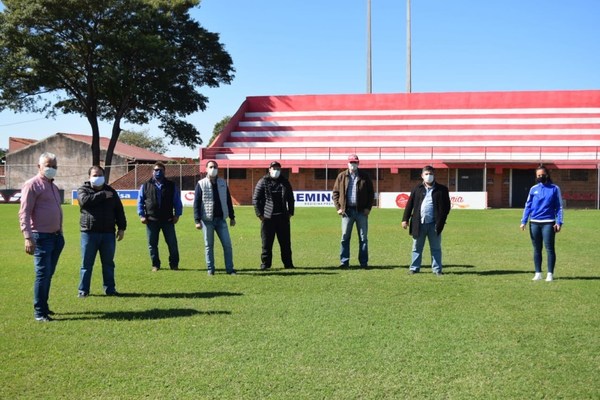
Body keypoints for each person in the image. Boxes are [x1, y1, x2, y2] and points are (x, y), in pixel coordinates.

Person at [18, 152, 65, 322]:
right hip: (41, 237)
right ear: (39, 166)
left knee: (48, 274)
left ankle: (44, 306)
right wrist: (27, 237)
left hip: (56, 237)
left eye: (54, 166)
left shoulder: (53, 186)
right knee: (42, 274)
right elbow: (24, 212)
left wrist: (60, 233)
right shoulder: (31, 185)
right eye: (48, 165)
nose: (51, 168)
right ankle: (39, 312)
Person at [77, 166, 127, 297]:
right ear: (89, 177)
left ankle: (110, 289)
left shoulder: (112, 191)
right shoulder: (83, 190)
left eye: (100, 175)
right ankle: (83, 290)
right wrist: (102, 195)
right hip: (89, 233)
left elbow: (119, 210)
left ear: (104, 176)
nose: (97, 177)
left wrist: (121, 228)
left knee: (109, 264)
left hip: (108, 233)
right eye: (94, 175)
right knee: (86, 264)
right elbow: (85, 201)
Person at [401, 165, 451, 276]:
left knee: (436, 248)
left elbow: (447, 207)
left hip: (434, 224)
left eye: (431, 174)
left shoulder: (442, 190)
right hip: (419, 224)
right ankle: (414, 268)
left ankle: (437, 270)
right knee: (416, 248)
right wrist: (405, 219)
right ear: (422, 176)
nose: (429, 176)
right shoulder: (416, 189)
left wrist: (441, 220)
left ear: (434, 175)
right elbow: (409, 205)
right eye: (427, 174)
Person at [520, 165, 563, 282]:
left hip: (549, 223)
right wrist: (523, 221)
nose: (540, 177)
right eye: (538, 175)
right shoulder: (533, 189)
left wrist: (559, 222)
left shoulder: (555, 188)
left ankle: (550, 274)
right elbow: (528, 205)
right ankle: (538, 273)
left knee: (549, 249)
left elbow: (559, 207)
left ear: (547, 175)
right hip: (534, 223)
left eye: (542, 175)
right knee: (536, 249)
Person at [137, 162, 182, 271]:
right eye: (156, 170)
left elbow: (177, 201)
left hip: (168, 219)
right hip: (151, 220)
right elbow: (140, 202)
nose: (158, 172)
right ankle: (155, 265)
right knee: (152, 245)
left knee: (172, 244)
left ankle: (174, 265)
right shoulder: (145, 185)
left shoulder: (171, 185)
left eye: (161, 170)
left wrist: (177, 214)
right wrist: (142, 215)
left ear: (164, 172)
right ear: (152, 172)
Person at [194, 160, 237, 275]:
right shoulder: (201, 184)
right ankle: (210, 269)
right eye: (211, 167)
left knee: (227, 245)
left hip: (221, 220)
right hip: (207, 221)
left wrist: (232, 217)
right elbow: (197, 203)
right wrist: (197, 220)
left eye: (215, 167)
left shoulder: (223, 183)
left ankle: (230, 269)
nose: (213, 169)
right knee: (209, 246)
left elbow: (228, 200)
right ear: (206, 169)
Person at [332, 154, 374, 269]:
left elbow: (371, 194)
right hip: (347, 212)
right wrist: (338, 208)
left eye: (355, 162)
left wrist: (368, 208)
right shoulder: (341, 176)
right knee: (345, 237)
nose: (353, 164)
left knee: (363, 238)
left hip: (361, 212)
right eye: (351, 162)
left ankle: (363, 263)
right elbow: (335, 193)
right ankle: (344, 262)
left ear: (358, 163)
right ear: (347, 163)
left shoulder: (365, 176)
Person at [252, 161, 295, 270]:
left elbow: (290, 198)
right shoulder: (262, 181)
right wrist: (259, 214)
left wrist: (290, 212)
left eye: (278, 169)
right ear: (269, 169)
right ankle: (266, 264)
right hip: (267, 218)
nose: (276, 171)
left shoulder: (285, 182)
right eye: (274, 168)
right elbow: (256, 199)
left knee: (285, 243)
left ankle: (288, 264)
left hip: (283, 217)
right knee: (266, 243)